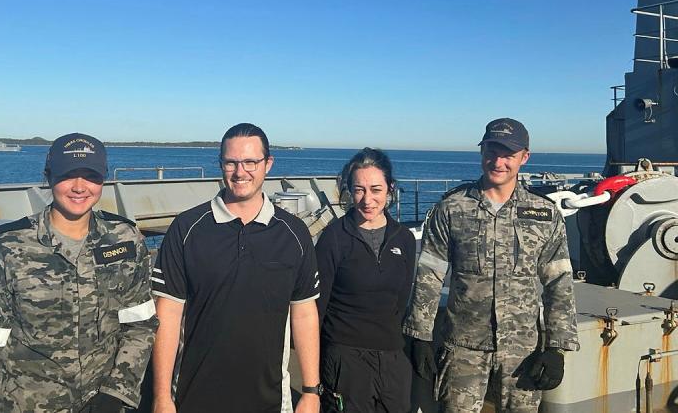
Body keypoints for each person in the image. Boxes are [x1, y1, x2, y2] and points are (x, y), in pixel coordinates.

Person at [0, 133, 158, 412]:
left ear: (103, 179)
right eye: (68, 174)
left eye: (90, 175)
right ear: (48, 177)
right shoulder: (7, 247)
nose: (79, 187)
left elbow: (140, 325)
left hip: (105, 402)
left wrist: (117, 392)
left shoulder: (125, 239)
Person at [404, 118, 579, 412]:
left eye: (508, 154)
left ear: (525, 157)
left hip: (522, 351)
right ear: (482, 152)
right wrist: (420, 336)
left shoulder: (544, 214)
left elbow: (558, 282)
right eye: (491, 151)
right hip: (463, 348)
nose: (498, 162)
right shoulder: (452, 208)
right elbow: (430, 274)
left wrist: (556, 348)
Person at [151, 123, 321, 413]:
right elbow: (167, 315)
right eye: (231, 162)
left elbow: (304, 312)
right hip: (194, 397)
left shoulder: (293, 233)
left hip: (269, 400)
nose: (240, 172)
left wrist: (310, 391)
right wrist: (162, 397)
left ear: (268, 164)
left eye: (250, 162)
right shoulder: (187, 228)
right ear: (221, 164)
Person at [315, 148, 416, 413]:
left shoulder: (403, 238)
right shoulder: (333, 238)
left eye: (375, 189)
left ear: (390, 188)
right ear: (349, 191)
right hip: (345, 359)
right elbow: (317, 308)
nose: (367, 200)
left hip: (392, 357)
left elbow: (401, 299)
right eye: (359, 190)